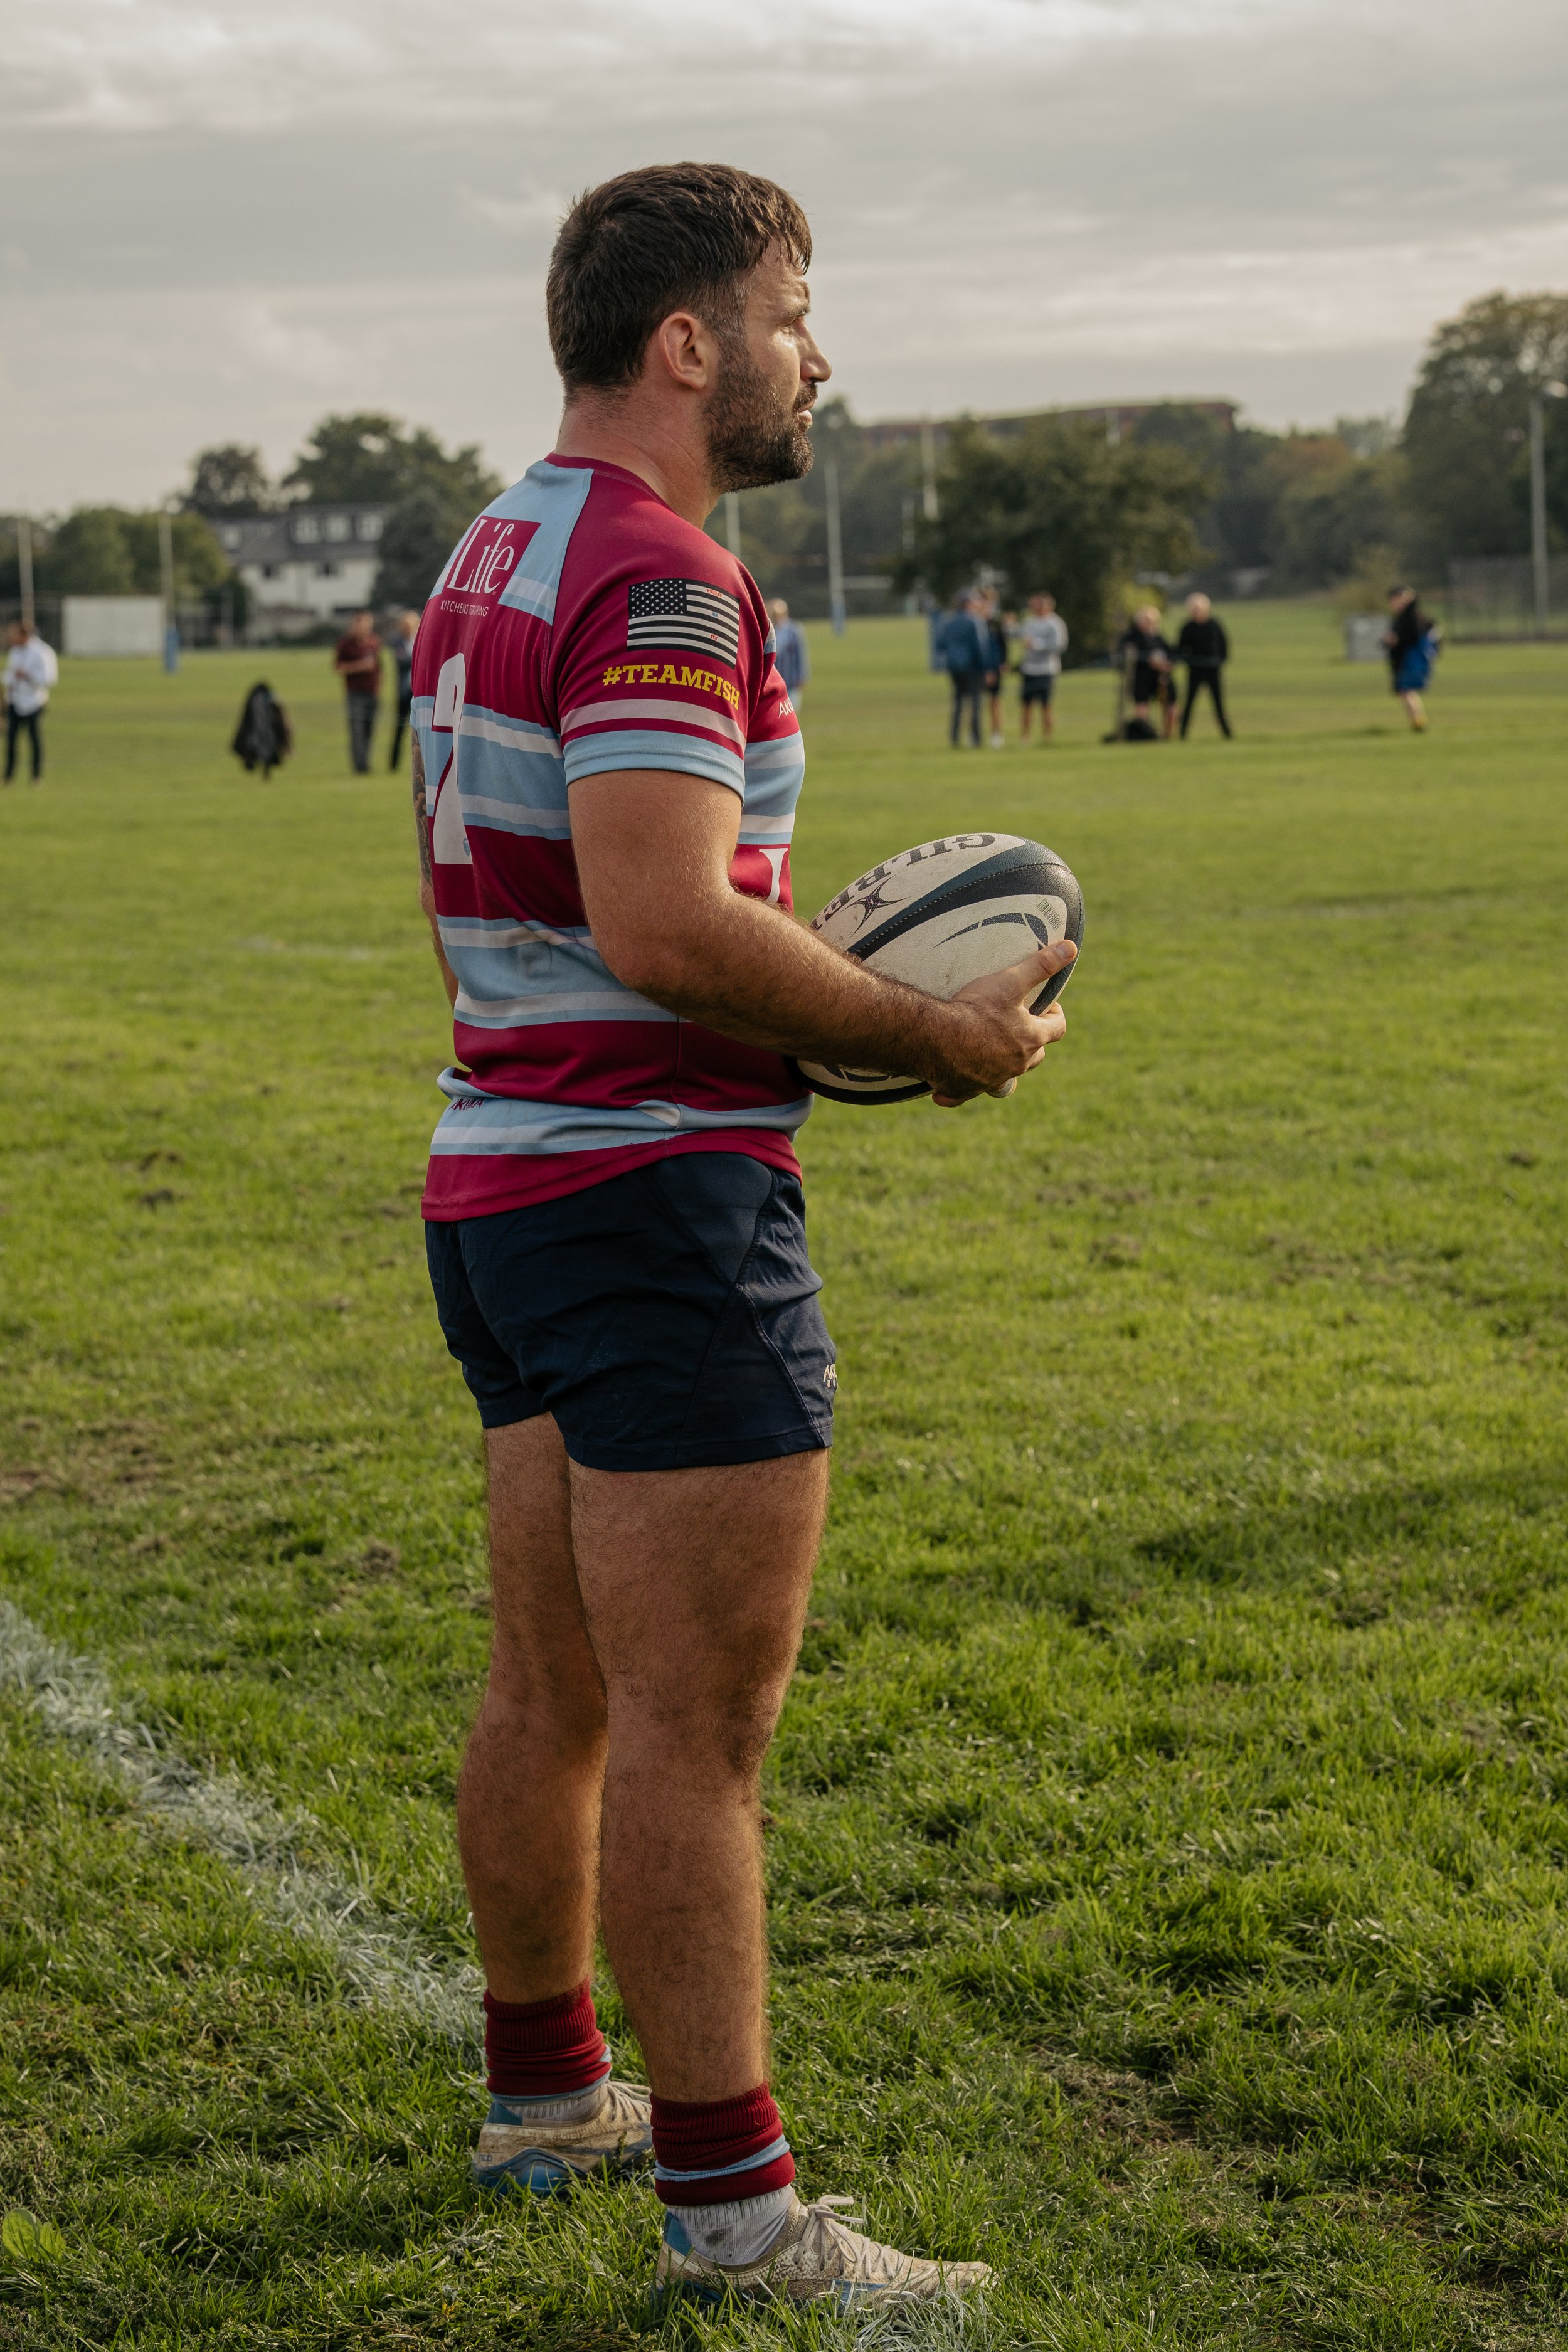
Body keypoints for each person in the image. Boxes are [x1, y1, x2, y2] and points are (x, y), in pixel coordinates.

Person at [409, 161, 1074, 2310]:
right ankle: (740, 2219)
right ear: (689, 340)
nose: (818, 353)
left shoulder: (496, 543)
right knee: (697, 1734)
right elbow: (665, 918)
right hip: (654, 1207)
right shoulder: (675, 580)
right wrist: (928, 1035)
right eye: (795, 309)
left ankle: (541, 2096)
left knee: (559, 1687)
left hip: (506, 1184)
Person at [3, 620, 58, 785]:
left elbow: (50, 679)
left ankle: (36, 777)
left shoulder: (43, 652)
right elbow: (9, 674)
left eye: (15, 635)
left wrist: (27, 676)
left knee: (34, 740)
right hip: (15, 700)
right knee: (11, 740)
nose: (12, 639)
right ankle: (8, 777)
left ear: (24, 635)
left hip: (34, 701)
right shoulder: (15, 652)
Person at [1112, 605, 1174, 741]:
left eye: (1152, 621)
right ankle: (1146, 734)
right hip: (1140, 679)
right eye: (1147, 621)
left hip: (1159, 679)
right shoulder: (1130, 638)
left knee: (1170, 706)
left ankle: (1167, 736)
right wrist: (1149, 661)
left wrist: (1166, 664)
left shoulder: (1158, 638)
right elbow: (1125, 658)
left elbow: (1170, 653)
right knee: (1142, 707)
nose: (1150, 624)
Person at [1175, 594, 1231, 738]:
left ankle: (1226, 733)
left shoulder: (1215, 626)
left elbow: (1224, 647)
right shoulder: (1188, 628)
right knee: (1189, 702)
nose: (1197, 612)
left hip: (1213, 671)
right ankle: (1182, 732)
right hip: (1195, 670)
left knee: (1218, 703)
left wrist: (1219, 661)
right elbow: (1181, 650)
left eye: (1199, 609)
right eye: (1194, 609)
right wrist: (1190, 661)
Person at [1384, 585, 1438, 731]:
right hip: (1402, 660)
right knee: (1405, 692)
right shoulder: (1401, 618)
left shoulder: (1412, 617)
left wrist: (1394, 640)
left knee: (1407, 691)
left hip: (1410, 661)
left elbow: (1415, 636)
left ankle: (1419, 723)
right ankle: (1417, 722)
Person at [334, 610, 382, 772]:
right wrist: (361, 666)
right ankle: (359, 766)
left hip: (372, 693)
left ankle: (366, 761)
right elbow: (339, 668)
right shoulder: (346, 644)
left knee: (369, 729)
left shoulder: (374, 643)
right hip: (355, 693)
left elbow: (379, 666)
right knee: (357, 730)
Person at [941, 590, 990, 748]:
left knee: (958, 703)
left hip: (954, 666)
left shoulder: (949, 621)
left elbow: (940, 644)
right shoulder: (975, 621)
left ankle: (955, 739)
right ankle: (976, 739)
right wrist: (986, 668)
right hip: (972, 667)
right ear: (969, 604)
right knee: (976, 703)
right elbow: (980, 646)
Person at [1017, 591, 1067, 743]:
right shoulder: (1029, 622)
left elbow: (1060, 645)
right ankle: (1025, 736)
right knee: (1026, 705)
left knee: (1046, 705)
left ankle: (1047, 737)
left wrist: (1037, 645)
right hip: (1029, 668)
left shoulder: (1055, 623)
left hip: (1046, 669)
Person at [230, 681, 292, 780]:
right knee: (263, 745)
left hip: (262, 735)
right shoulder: (267, 701)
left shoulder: (256, 700)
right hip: (264, 735)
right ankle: (264, 765)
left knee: (261, 744)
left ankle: (262, 764)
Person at [765, 596, 810, 709]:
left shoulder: (794, 631)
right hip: (774, 678)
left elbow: (800, 654)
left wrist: (802, 676)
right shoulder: (768, 630)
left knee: (791, 710)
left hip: (790, 678)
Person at [388, 610, 419, 770]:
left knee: (420, 730)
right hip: (404, 691)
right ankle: (393, 764)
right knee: (399, 728)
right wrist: (417, 657)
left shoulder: (421, 639)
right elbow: (401, 662)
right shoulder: (397, 642)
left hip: (418, 691)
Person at [981, 591, 1009, 747]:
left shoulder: (996, 624)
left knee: (995, 702)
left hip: (994, 668)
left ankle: (996, 734)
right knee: (976, 703)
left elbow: (1003, 646)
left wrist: (1002, 665)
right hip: (978, 669)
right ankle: (975, 734)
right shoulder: (975, 622)